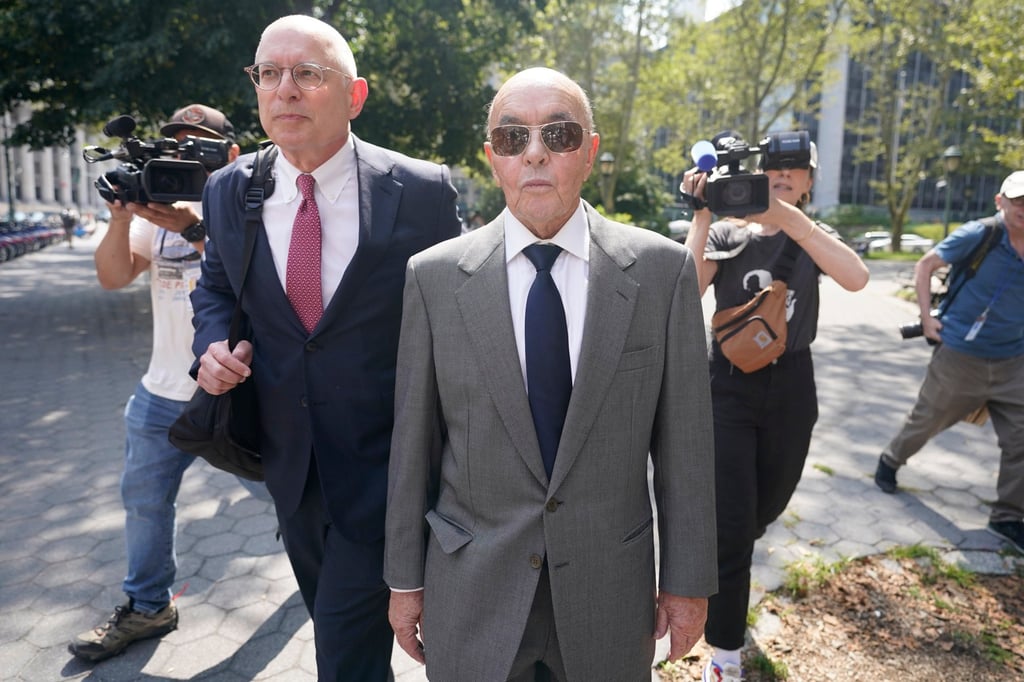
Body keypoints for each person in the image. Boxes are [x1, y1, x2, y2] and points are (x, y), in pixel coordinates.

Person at [384, 67, 718, 682]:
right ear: (493, 159)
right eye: (513, 138)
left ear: (590, 152)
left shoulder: (660, 273)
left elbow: (687, 450)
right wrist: (404, 580)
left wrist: (688, 583)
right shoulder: (432, 278)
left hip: (609, 593)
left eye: (558, 134)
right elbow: (414, 446)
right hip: (472, 588)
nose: (534, 152)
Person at [190, 15, 461, 680]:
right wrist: (210, 347)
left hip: (389, 470)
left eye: (307, 73)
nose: (285, 89)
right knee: (348, 636)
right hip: (290, 468)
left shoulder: (421, 191)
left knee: (341, 653)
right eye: (269, 73)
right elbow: (216, 288)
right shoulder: (231, 190)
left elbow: (460, 313)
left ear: (354, 95)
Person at [681, 132, 869, 682]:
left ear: (811, 180)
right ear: (760, 171)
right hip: (728, 386)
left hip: (792, 387)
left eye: (795, 169)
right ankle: (725, 656)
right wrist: (699, 216)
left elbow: (857, 279)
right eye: (775, 167)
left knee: (770, 503)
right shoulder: (727, 233)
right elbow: (683, 290)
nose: (783, 175)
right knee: (733, 526)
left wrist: (788, 219)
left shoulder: (811, 235)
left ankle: (740, 542)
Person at [69, 104, 246, 662]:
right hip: (159, 394)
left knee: (294, 498)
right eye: (176, 144)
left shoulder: (246, 205)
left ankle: (328, 579)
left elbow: (258, 285)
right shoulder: (152, 206)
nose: (183, 155)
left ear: (229, 154)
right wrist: (122, 217)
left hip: (238, 392)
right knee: (144, 505)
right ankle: (149, 606)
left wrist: (195, 229)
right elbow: (112, 277)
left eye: (198, 145)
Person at [875, 170, 1024, 553]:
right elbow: (925, 265)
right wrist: (927, 319)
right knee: (927, 419)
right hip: (961, 356)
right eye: (1017, 200)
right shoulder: (981, 234)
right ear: (1000, 201)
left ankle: (1008, 516)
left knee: (1021, 440)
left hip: (1014, 360)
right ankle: (891, 460)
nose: (1023, 208)